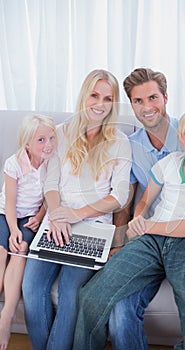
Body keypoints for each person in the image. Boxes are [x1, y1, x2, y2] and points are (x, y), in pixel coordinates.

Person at [73, 106, 185, 350]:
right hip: (150, 243)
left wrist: (148, 225)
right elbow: (145, 199)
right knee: (90, 296)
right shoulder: (169, 163)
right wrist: (137, 217)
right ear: (180, 136)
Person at [108, 68, 185, 350]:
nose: (147, 107)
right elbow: (127, 202)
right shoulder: (131, 145)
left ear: (165, 97)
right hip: (154, 233)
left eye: (152, 97)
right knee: (120, 310)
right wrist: (120, 240)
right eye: (138, 101)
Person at [22, 69, 132, 350]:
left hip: (93, 227)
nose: (99, 103)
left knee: (71, 292)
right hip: (57, 221)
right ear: (84, 95)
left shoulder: (119, 141)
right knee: (32, 289)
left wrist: (77, 214)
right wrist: (58, 214)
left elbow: (118, 196)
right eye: (94, 95)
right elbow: (51, 183)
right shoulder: (59, 133)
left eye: (107, 98)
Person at [0, 114, 57, 350]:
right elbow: (10, 203)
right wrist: (13, 229)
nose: (48, 144)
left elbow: (52, 193)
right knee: (2, 251)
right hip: (7, 214)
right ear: (27, 144)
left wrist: (41, 216)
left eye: (51, 138)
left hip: (31, 218)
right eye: (41, 140)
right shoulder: (14, 163)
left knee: (21, 249)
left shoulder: (53, 162)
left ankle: (7, 316)